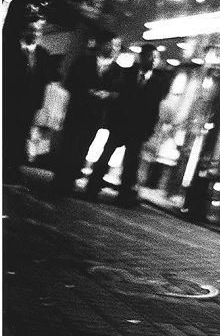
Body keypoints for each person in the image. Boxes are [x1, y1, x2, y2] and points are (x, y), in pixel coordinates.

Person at [84, 44, 172, 207]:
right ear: (142, 57)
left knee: (130, 163)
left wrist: (149, 129)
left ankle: (124, 195)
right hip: (120, 123)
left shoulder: (159, 81)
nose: (153, 61)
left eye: (156, 58)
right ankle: (92, 188)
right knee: (105, 157)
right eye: (149, 57)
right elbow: (118, 96)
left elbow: (154, 108)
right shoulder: (128, 73)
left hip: (138, 128)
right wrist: (110, 120)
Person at [52, 33, 123, 194]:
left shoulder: (117, 70)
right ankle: (59, 178)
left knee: (84, 147)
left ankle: (69, 180)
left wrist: (108, 95)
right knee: (68, 143)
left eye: (117, 46)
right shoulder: (83, 61)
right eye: (112, 44)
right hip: (77, 110)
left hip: (95, 116)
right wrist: (86, 91)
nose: (114, 49)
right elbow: (69, 82)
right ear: (102, 44)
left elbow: (120, 93)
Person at [2, 10, 59, 182]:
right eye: (30, 29)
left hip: (30, 104)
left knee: (20, 136)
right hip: (7, 99)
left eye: (37, 31)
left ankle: (11, 167)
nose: (34, 33)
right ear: (23, 31)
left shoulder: (43, 54)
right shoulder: (8, 48)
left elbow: (47, 79)